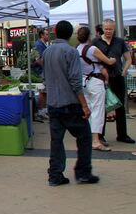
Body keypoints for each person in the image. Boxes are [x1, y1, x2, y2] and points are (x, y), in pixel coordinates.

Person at [43, 20, 98, 186]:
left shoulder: (47, 52)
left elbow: (46, 78)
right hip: (70, 103)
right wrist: (84, 105)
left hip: (53, 103)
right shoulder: (71, 52)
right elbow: (75, 81)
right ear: (70, 35)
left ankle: (55, 175)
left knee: (56, 141)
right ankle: (83, 172)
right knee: (84, 137)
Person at [92, 19, 134, 144]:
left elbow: (128, 58)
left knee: (120, 105)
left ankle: (122, 134)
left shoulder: (120, 41)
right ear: (103, 29)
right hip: (103, 78)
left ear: (114, 29)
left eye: (110, 29)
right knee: (102, 107)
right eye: (106, 29)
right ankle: (100, 135)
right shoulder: (96, 42)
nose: (108, 31)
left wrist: (124, 70)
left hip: (117, 76)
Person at [77, 26, 115, 152]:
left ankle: (88, 138)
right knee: (98, 110)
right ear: (89, 36)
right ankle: (96, 140)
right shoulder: (92, 49)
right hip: (95, 81)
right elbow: (108, 61)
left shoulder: (77, 49)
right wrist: (113, 59)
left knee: (87, 109)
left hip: (83, 81)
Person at [34, 28, 50, 122]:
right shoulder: (39, 45)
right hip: (40, 70)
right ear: (42, 35)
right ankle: (41, 111)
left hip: (43, 70)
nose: (48, 36)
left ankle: (43, 110)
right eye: (46, 34)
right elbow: (39, 59)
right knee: (42, 91)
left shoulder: (44, 44)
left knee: (45, 91)